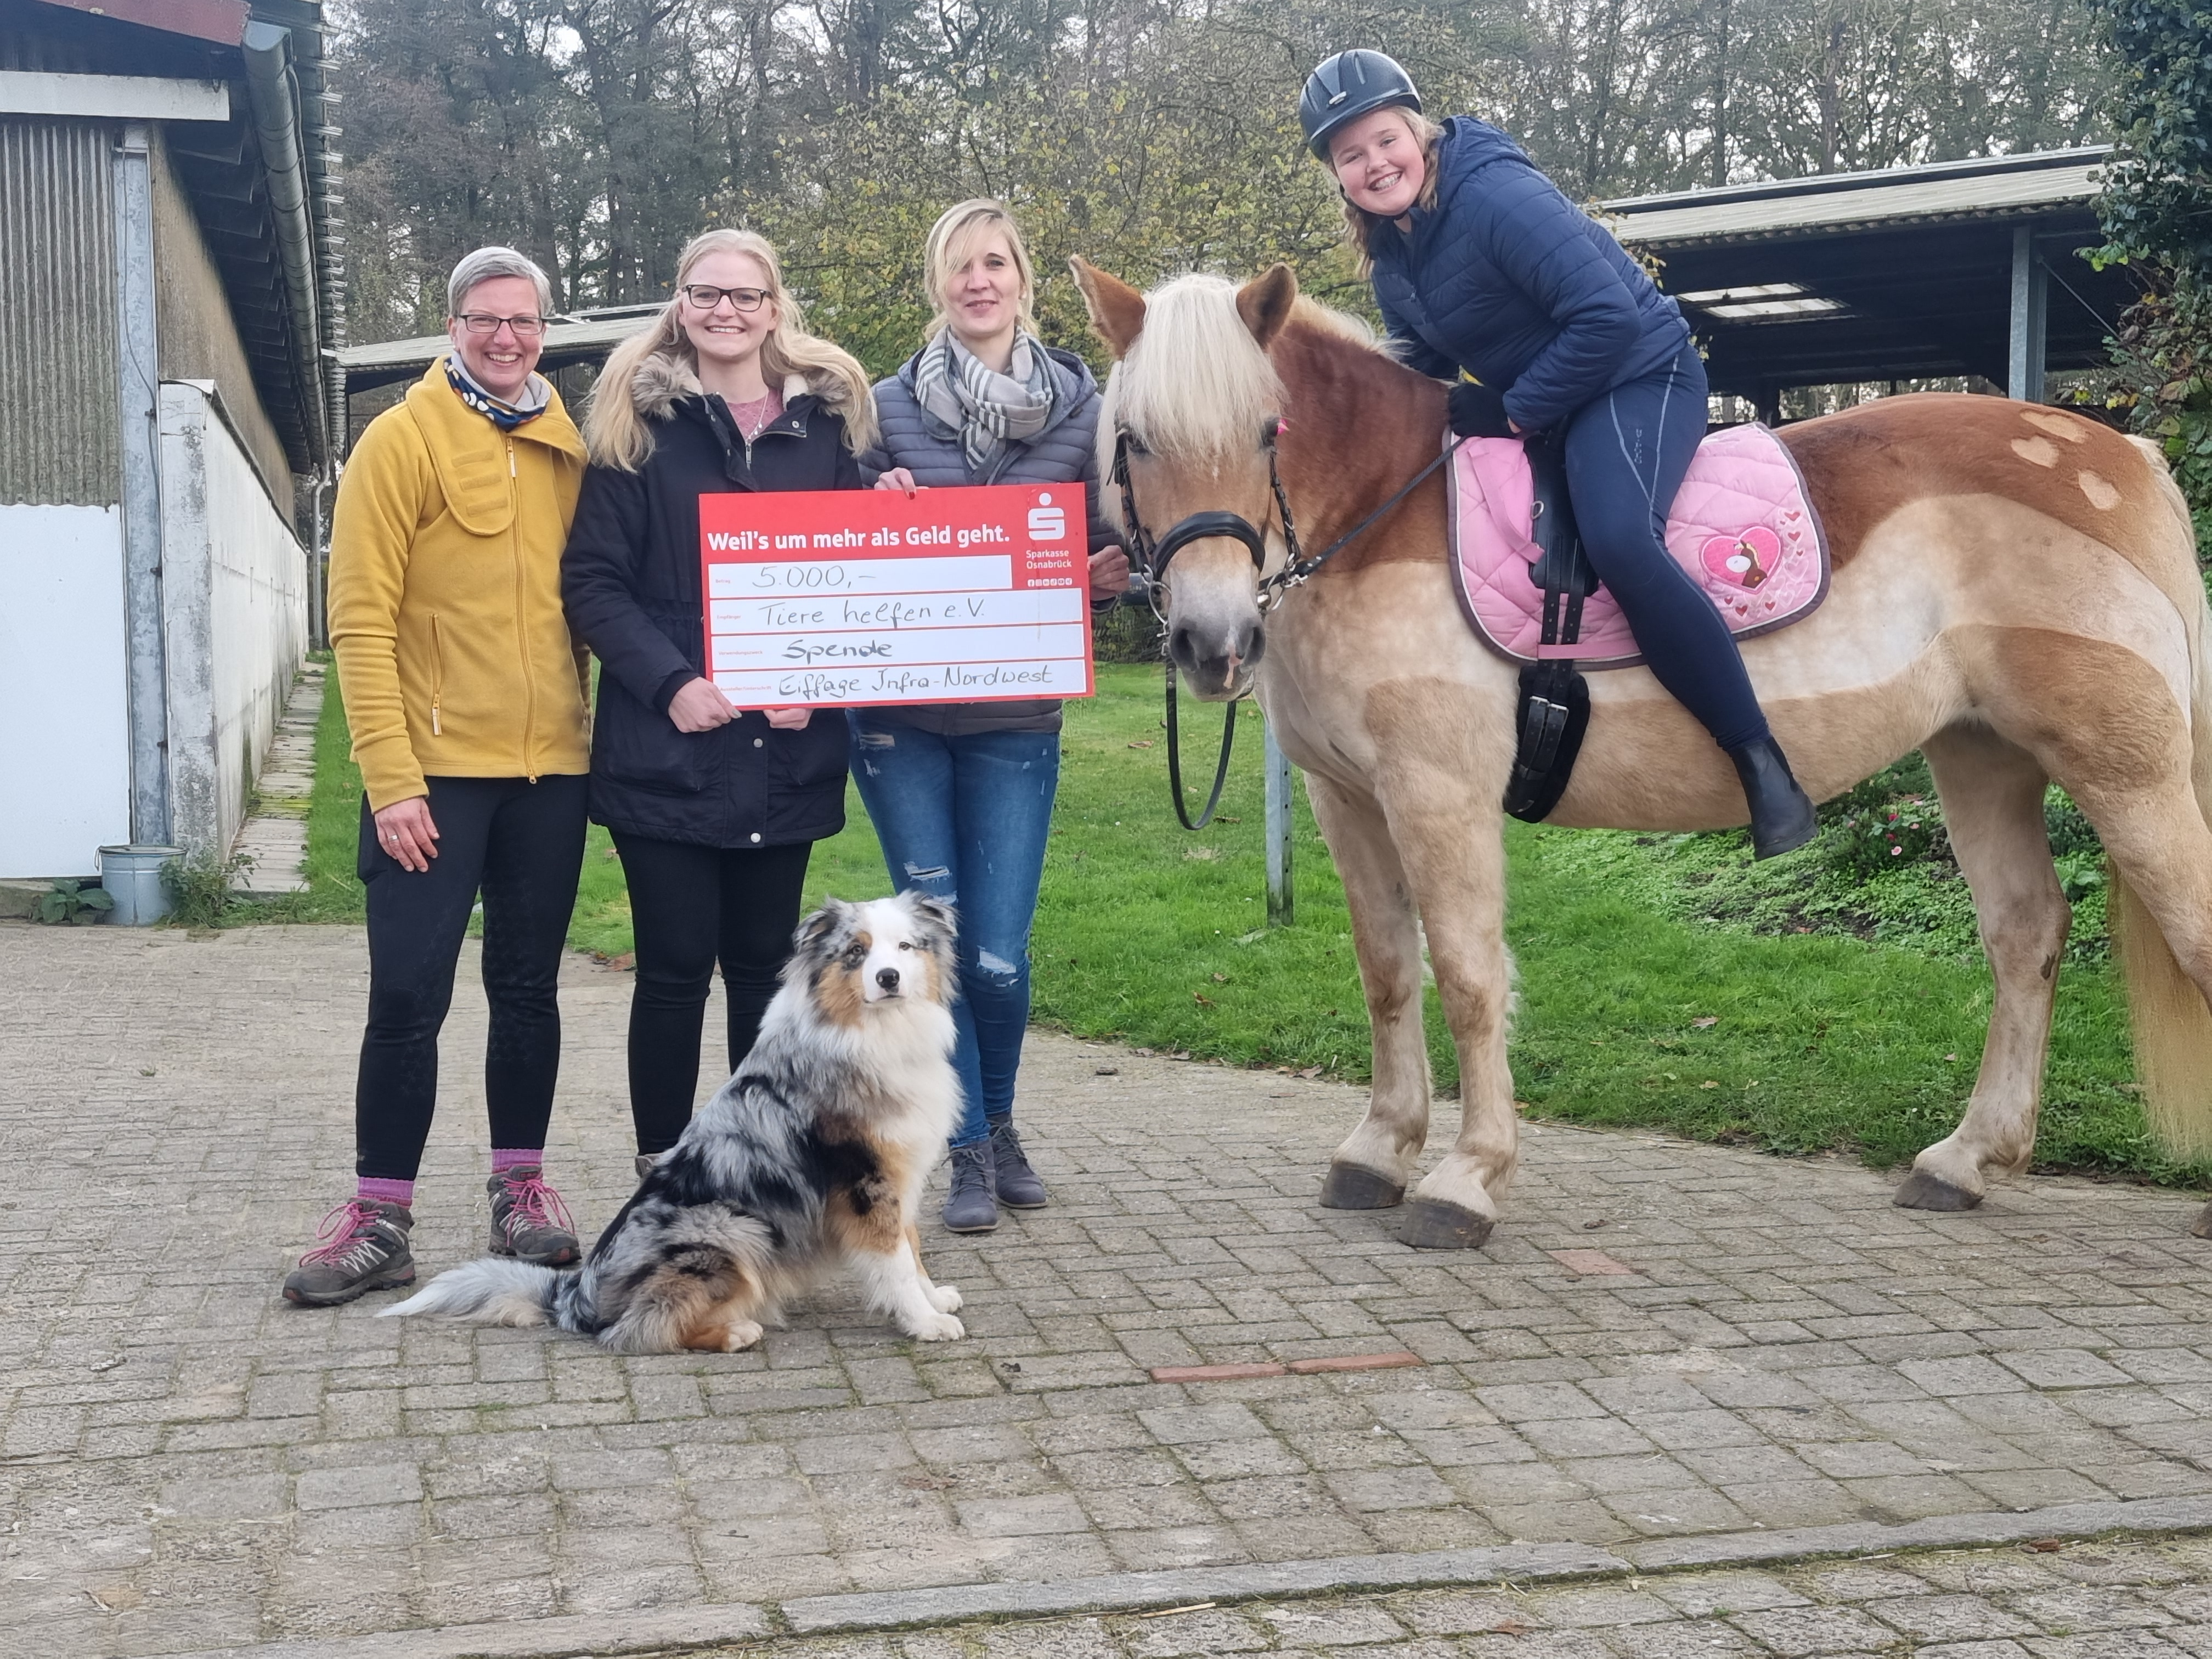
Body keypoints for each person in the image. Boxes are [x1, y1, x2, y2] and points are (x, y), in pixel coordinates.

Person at [1299, 51, 1819, 859]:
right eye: (1350, 156)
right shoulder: (1390, 256)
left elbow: (1607, 318)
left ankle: (1762, 763)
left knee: (1618, 539)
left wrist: (1510, 408)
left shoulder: (1495, 196)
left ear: (1418, 130)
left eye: (1383, 139)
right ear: (1337, 176)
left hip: (1637, 372)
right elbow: (1418, 369)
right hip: (1547, 401)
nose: (1374, 164)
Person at [285, 247, 591, 1306]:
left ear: (543, 331)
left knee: (527, 992)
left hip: (551, 772)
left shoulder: (566, 446)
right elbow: (358, 620)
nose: (505, 338)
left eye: (523, 321)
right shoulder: (401, 439)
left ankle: (522, 1191)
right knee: (408, 999)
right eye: (483, 319)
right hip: (433, 781)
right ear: (450, 326)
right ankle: (380, 1218)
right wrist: (391, 778)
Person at [562, 229, 874, 1179]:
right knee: (671, 972)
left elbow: (857, 581)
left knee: (764, 976)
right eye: (707, 295)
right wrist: (673, 684)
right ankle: (664, 1169)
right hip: (668, 754)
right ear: (680, 303)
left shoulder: (829, 429)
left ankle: (759, 1164)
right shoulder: (634, 429)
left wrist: (813, 685)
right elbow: (593, 583)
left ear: (776, 309)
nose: (726, 313)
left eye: (745, 297)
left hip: (785, 757)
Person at [860, 199, 1131, 1233]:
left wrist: (1117, 569)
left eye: (995, 263)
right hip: (899, 723)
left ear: (1021, 279)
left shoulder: (1085, 408)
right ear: (938, 286)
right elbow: (827, 540)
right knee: (935, 945)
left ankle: (1003, 1119)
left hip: (1019, 716)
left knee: (998, 957)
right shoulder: (884, 407)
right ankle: (967, 1148)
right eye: (958, 267)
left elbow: (1126, 529)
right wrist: (865, 499)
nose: (978, 281)